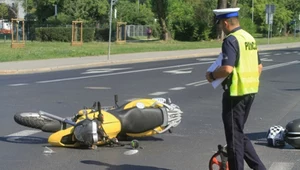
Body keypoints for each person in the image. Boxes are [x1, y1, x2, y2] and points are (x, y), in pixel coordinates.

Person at [205, 8, 266, 170]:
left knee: (234, 139)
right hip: (250, 91)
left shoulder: (231, 40)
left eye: (220, 24)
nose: (220, 27)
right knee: (238, 134)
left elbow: (227, 69)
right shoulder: (249, 37)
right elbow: (259, 67)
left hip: (236, 94)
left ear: (225, 23)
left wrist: (211, 76)